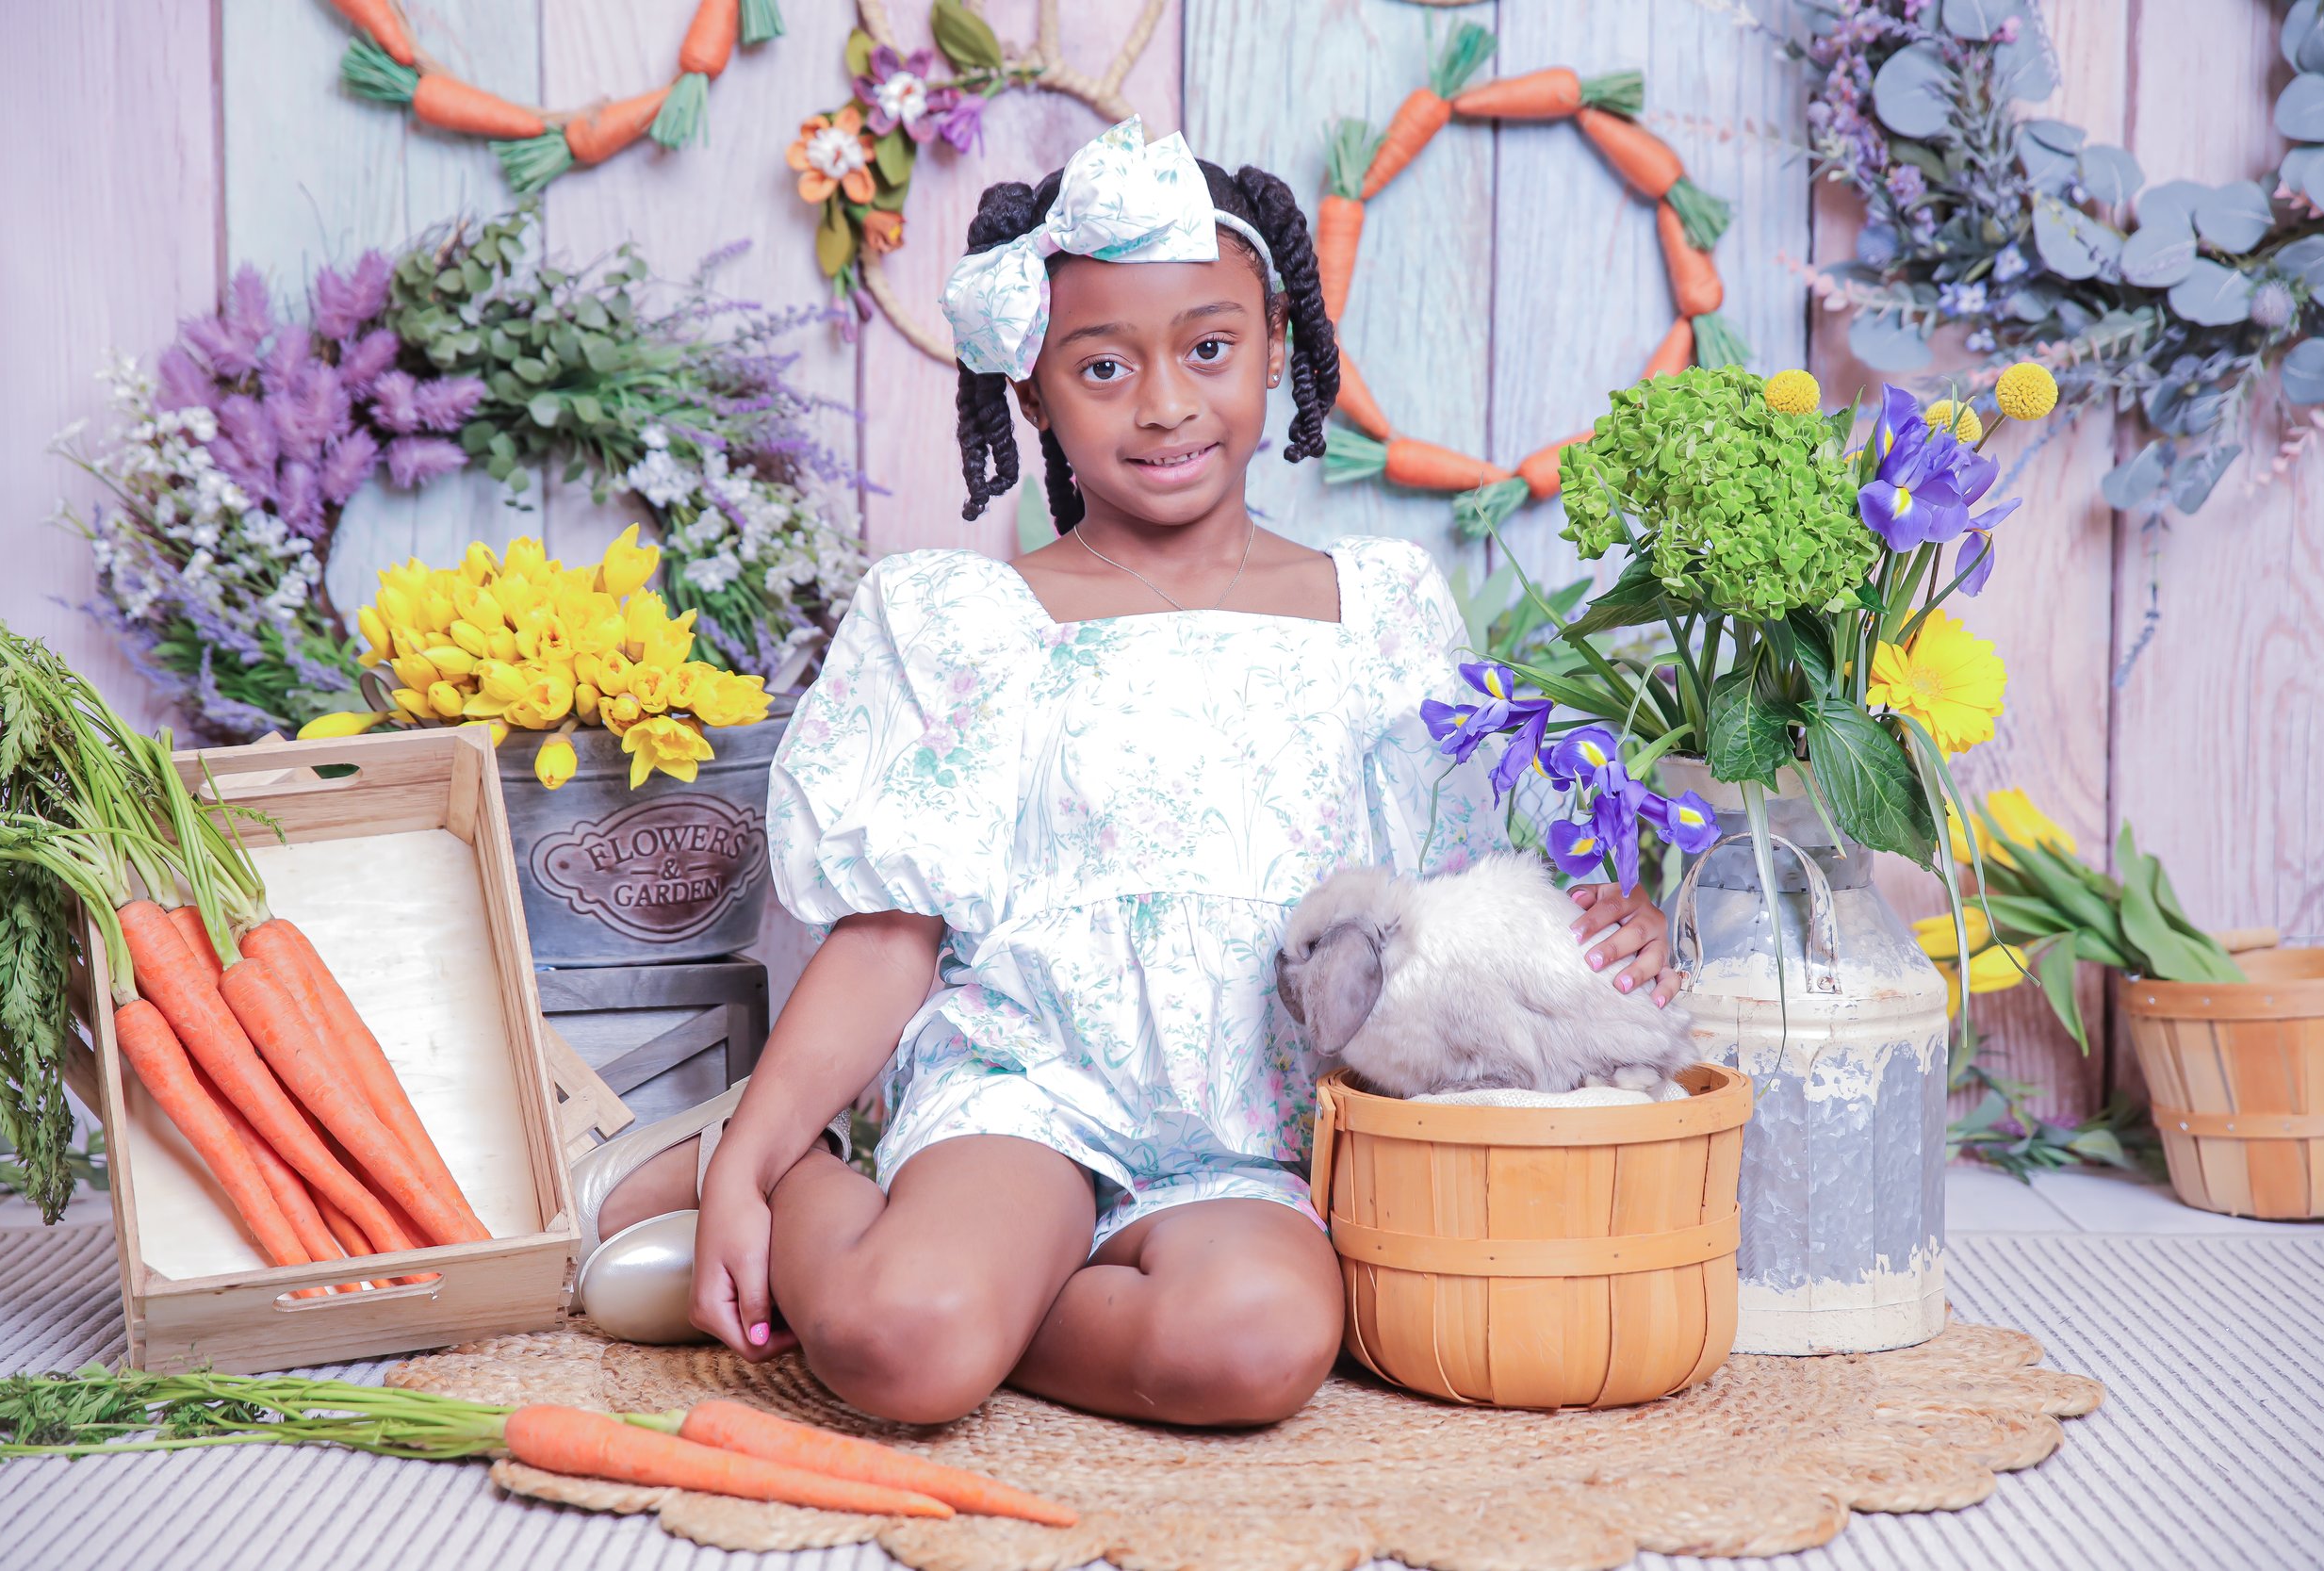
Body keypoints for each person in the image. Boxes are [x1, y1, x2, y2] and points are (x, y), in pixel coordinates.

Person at [568, 118, 1682, 1429]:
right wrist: (759, 1154)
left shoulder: (1378, 611)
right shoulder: (971, 625)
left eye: (1208, 348)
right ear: (1031, 391)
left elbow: (1445, 897)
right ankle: (803, 1180)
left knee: (1262, 1346)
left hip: (1258, 1139)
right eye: (1102, 366)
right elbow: (891, 936)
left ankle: (1003, 1299)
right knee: (904, 1352)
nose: (1164, 404)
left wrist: (1600, 936)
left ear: (1276, 340)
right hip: (1027, 1091)